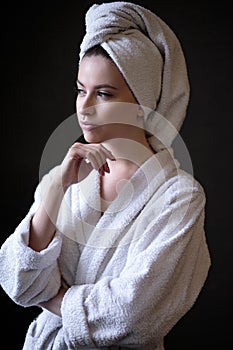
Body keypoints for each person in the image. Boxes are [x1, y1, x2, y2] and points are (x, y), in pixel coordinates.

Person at [0, 2, 211, 349]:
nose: (84, 108)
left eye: (104, 93)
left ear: (143, 103)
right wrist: (56, 187)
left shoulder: (179, 197)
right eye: (81, 90)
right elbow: (19, 281)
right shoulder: (65, 176)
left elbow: (135, 314)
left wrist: (56, 302)